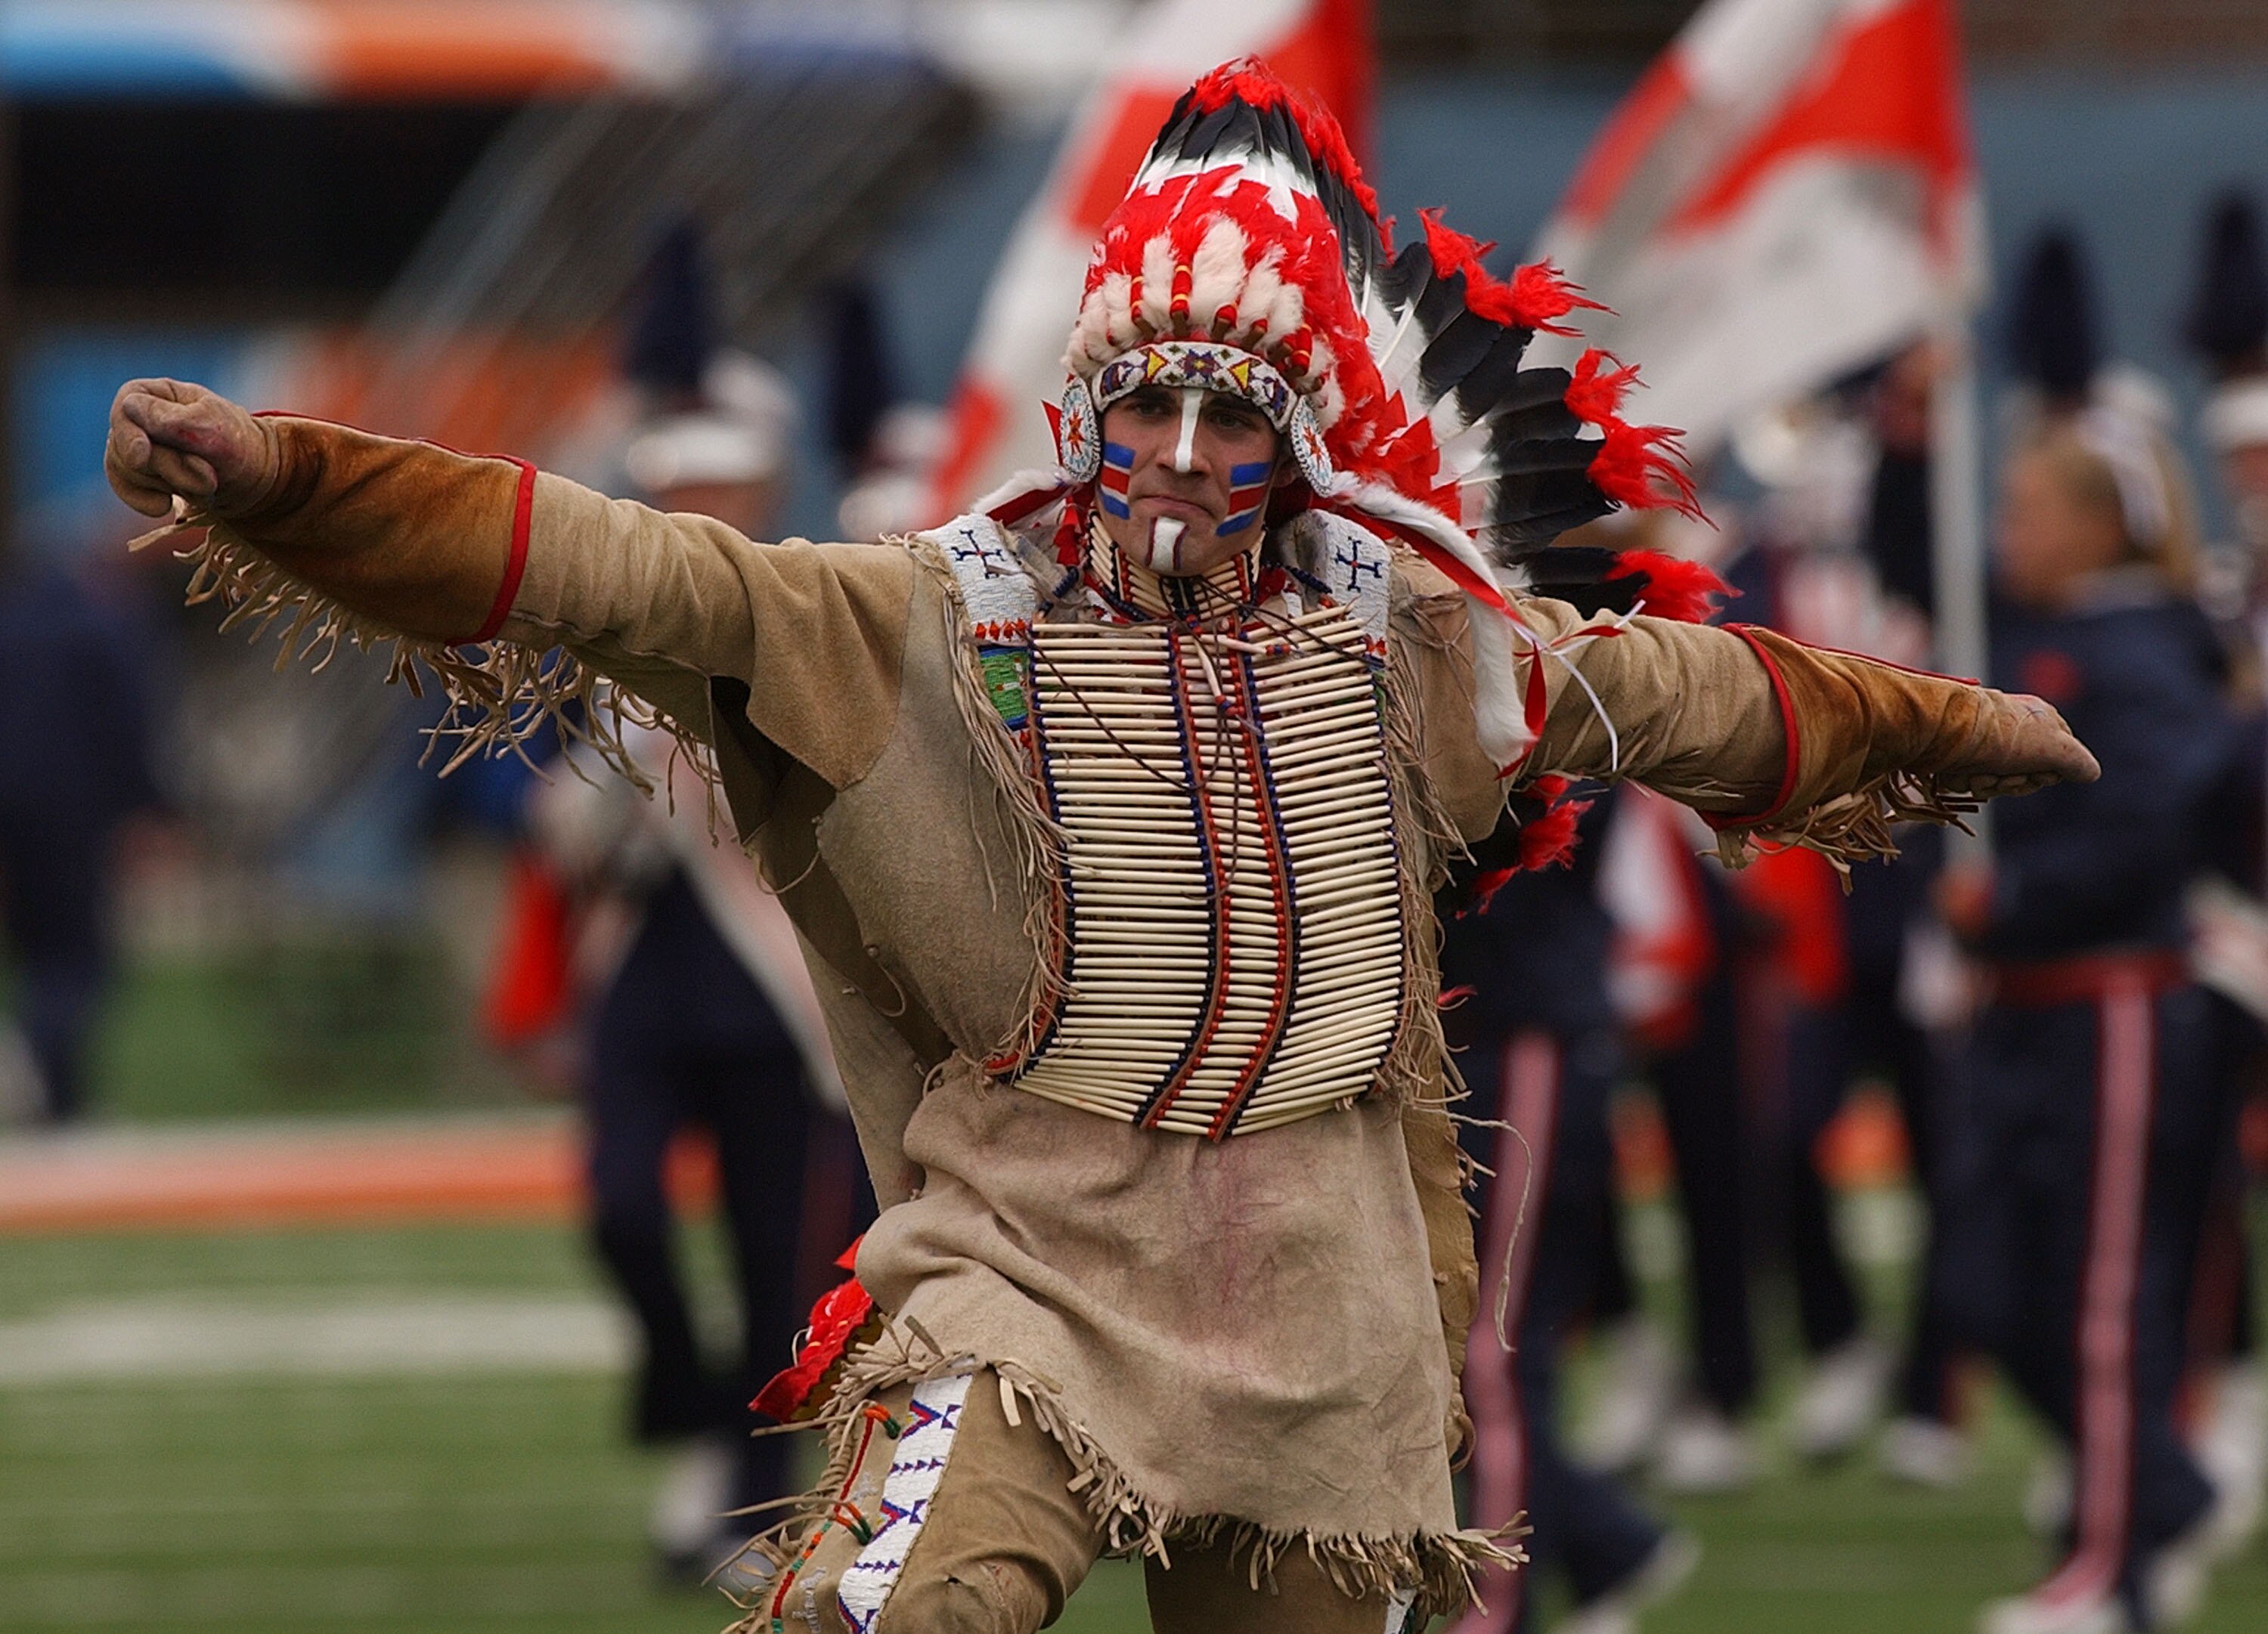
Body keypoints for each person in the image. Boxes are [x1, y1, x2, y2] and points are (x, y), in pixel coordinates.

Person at [103, 64, 2095, 1634]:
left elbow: (1675, 694)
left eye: (1233, 413)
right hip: (1019, 1282)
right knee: (885, 1615)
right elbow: (636, 575)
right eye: (1143, 401)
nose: (1181, 453)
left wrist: (1955, 723)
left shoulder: (1421, 642)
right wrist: (290, 471)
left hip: (1327, 1313)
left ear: (1303, 434)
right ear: (1086, 402)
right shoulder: (915, 618)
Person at [1938, 412, 2235, 1634]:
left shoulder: (2141, 652)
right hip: (2032, 1009)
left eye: (2026, 512)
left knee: (2103, 1295)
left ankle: (2112, 1571)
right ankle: (2165, 1492)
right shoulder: (2046, 635)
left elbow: (2157, 818)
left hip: (2114, 1000)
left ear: (2099, 525)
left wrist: (2012, 898)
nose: (2006, 536)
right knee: (1988, 1292)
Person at [1439, 791, 1696, 1634]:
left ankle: (1503, 1602)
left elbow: (1503, 820)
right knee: (1452, 1350)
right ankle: (1602, 1540)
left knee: (1493, 1350)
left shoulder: (1548, 687)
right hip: (1471, 1035)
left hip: (1522, 1040)